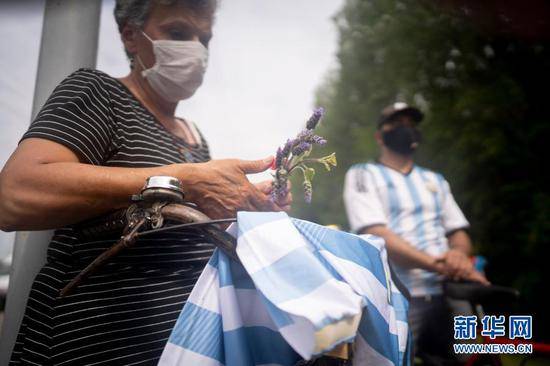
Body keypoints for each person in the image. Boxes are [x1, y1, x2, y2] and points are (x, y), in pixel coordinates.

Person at [0, 0, 291, 364]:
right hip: (100, 344)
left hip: (183, 346)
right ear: (131, 36)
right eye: (178, 33)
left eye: (205, 39)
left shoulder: (194, 139)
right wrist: (187, 180)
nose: (196, 50)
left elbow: (179, 216)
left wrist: (244, 204)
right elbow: (14, 194)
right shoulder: (100, 94)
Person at [343, 102, 488, 364]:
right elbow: (376, 234)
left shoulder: (435, 180)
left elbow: (458, 232)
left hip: (450, 290)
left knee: (471, 360)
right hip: (398, 295)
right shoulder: (362, 174)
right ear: (380, 136)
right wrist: (441, 264)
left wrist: (457, 256)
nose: (406, 130)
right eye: (397, 125)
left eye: (411, 125)